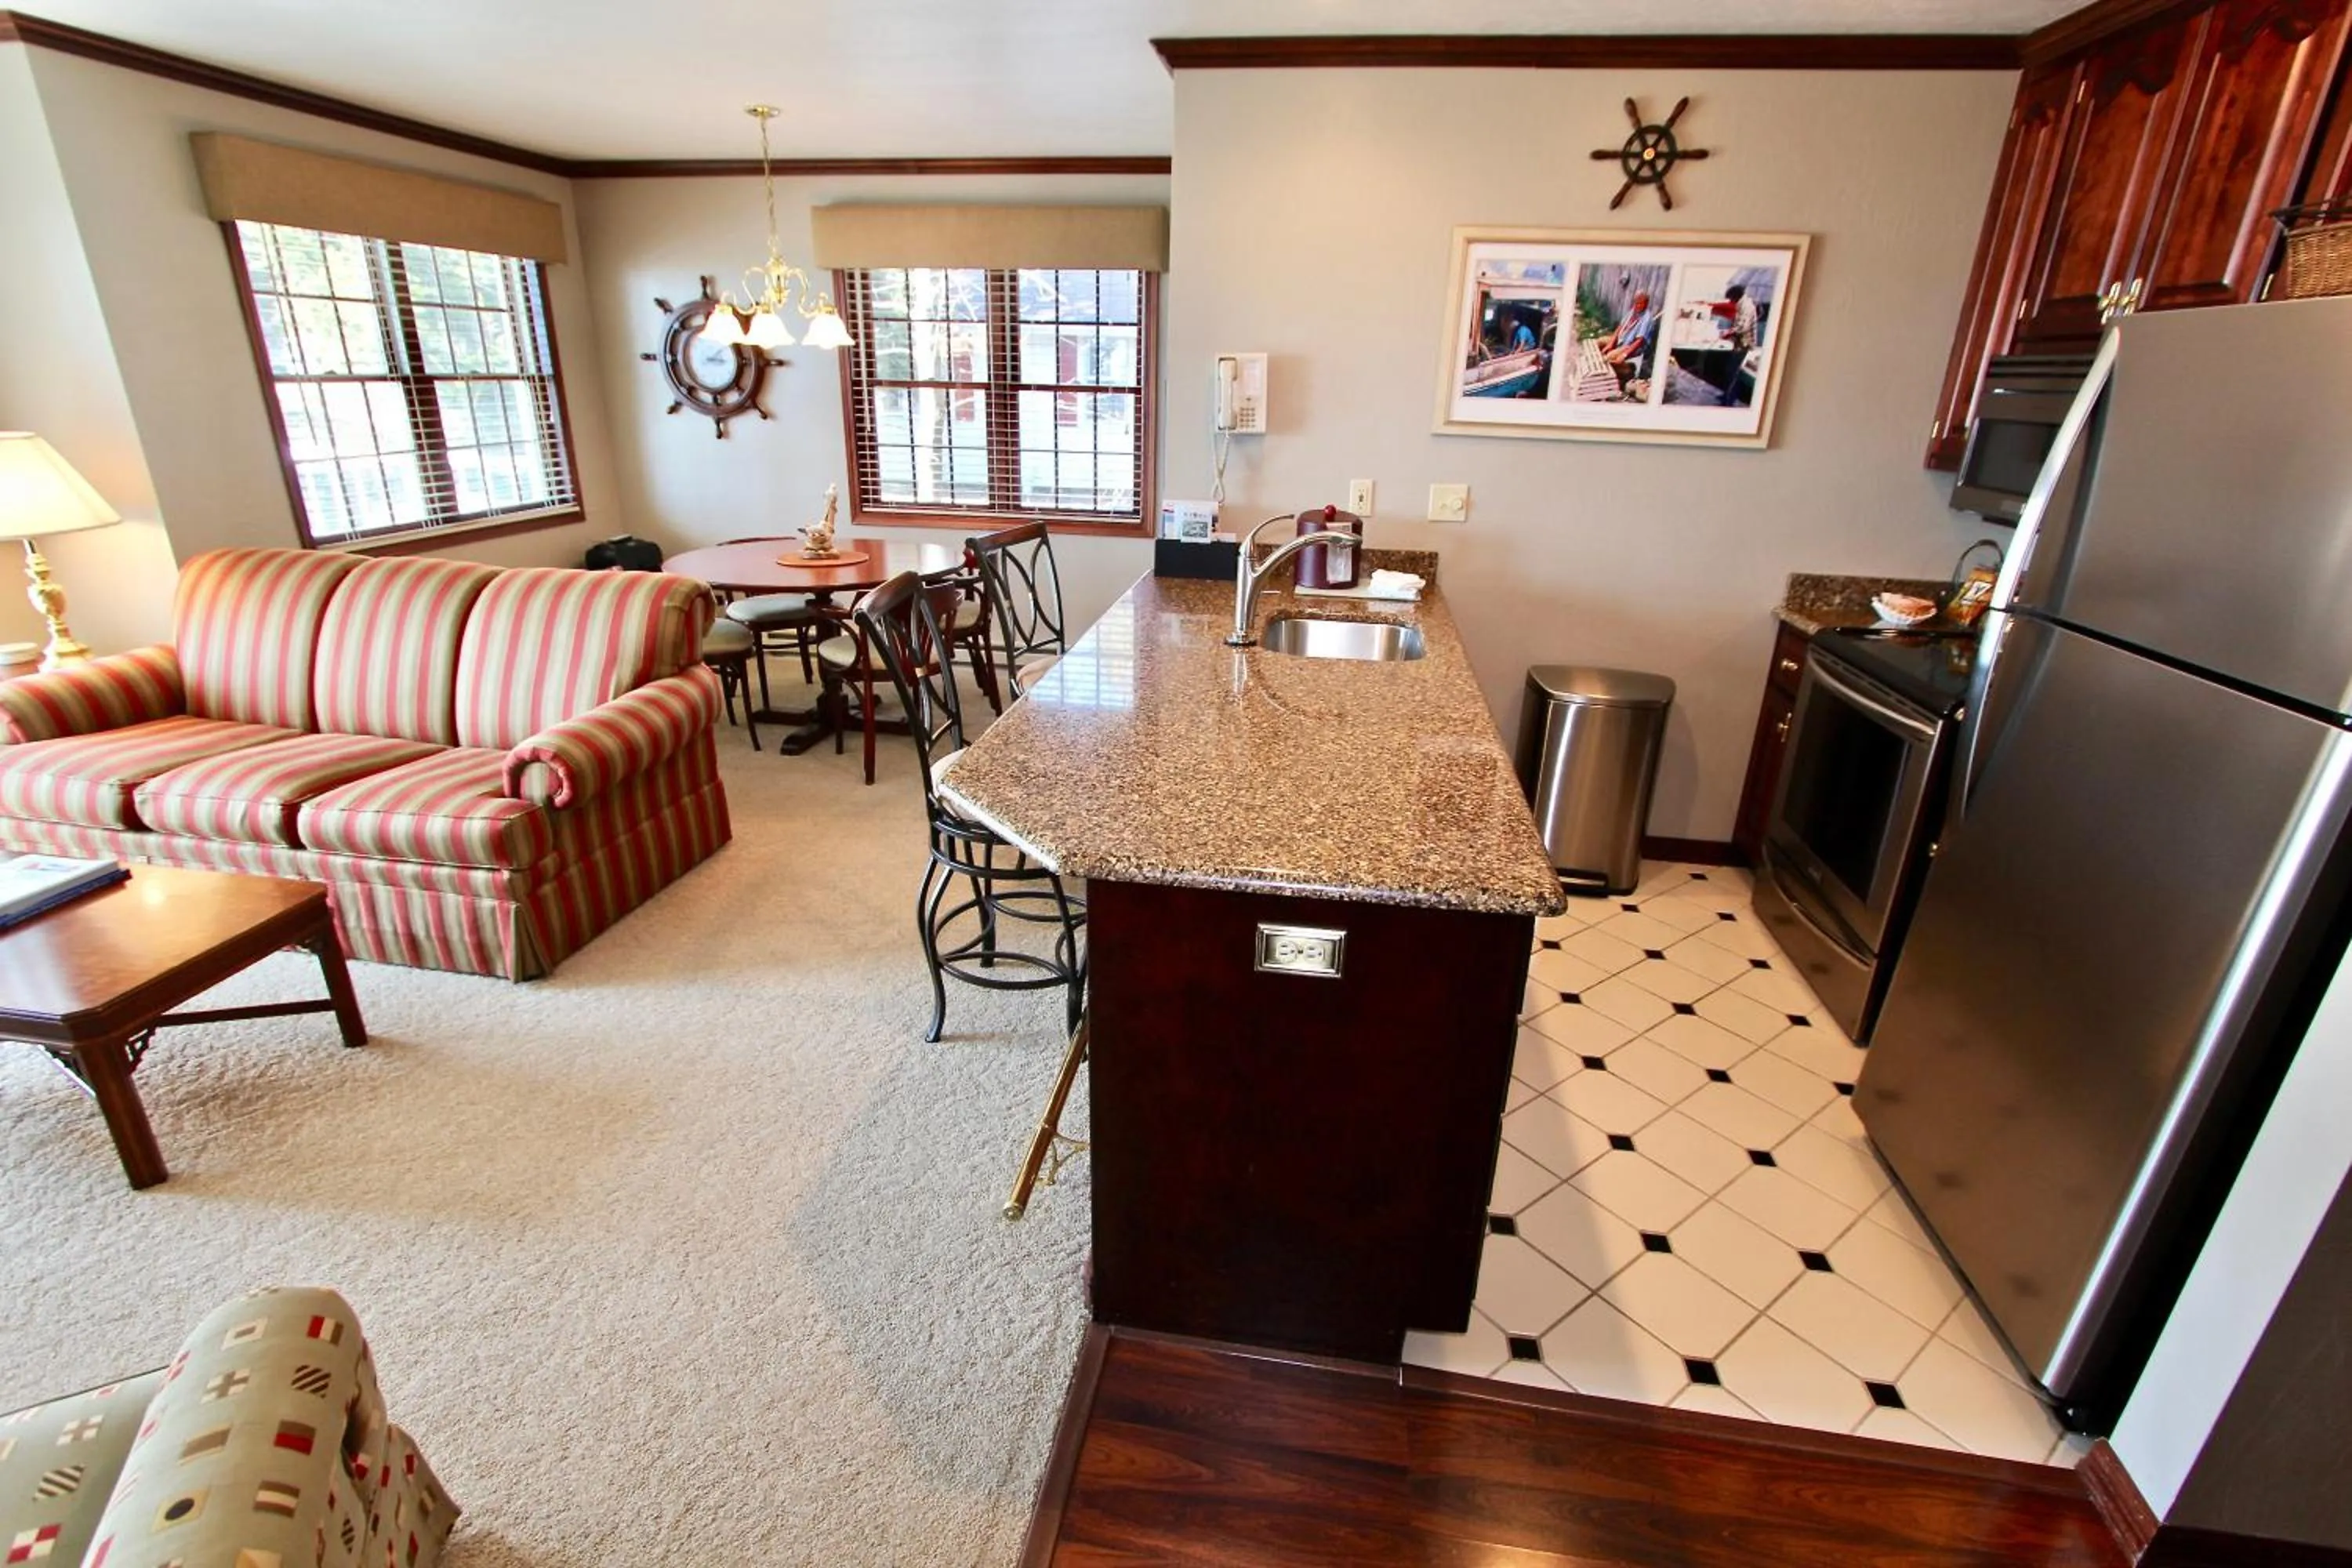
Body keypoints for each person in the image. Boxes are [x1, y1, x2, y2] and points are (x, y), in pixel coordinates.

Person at [1595, 290, 1659, 390]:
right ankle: (1598, 368)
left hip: (1631, 346)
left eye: (1640, 303)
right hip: (1622, 340)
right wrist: (1611, 344)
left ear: (1646, 303)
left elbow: (1639, 341)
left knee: (1610, 357)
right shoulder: (1633, 311)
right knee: (1599, 342)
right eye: (1635, 302)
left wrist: (1624, 354)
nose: (1637, 305)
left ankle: (1625, 373)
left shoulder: (1647, 319)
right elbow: (1620, 327)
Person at [1726, 283, 1761, 353]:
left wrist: (1729, 332)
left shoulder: (1747, 306)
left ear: (1736, 297)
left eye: (1731, 299)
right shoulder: (1741, 305)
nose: (1730, 301)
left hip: (1746, 344)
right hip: (1740, 343)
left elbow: (1743, 327)